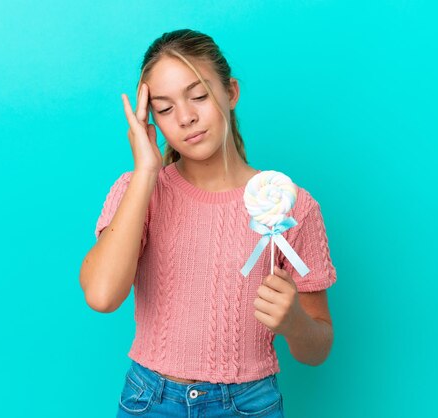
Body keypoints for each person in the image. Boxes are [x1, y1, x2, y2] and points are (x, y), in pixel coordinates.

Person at [79, 28, 337, 417]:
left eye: (198, 95)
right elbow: (101, 295)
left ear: (230, 92)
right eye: (164, 109)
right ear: (153, 120)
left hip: (250, 404)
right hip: (150, 400)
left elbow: (317, 347)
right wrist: (147, 171)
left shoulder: (291, 205)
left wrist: (295, 321)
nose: (186, 117)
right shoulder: (137, 191)